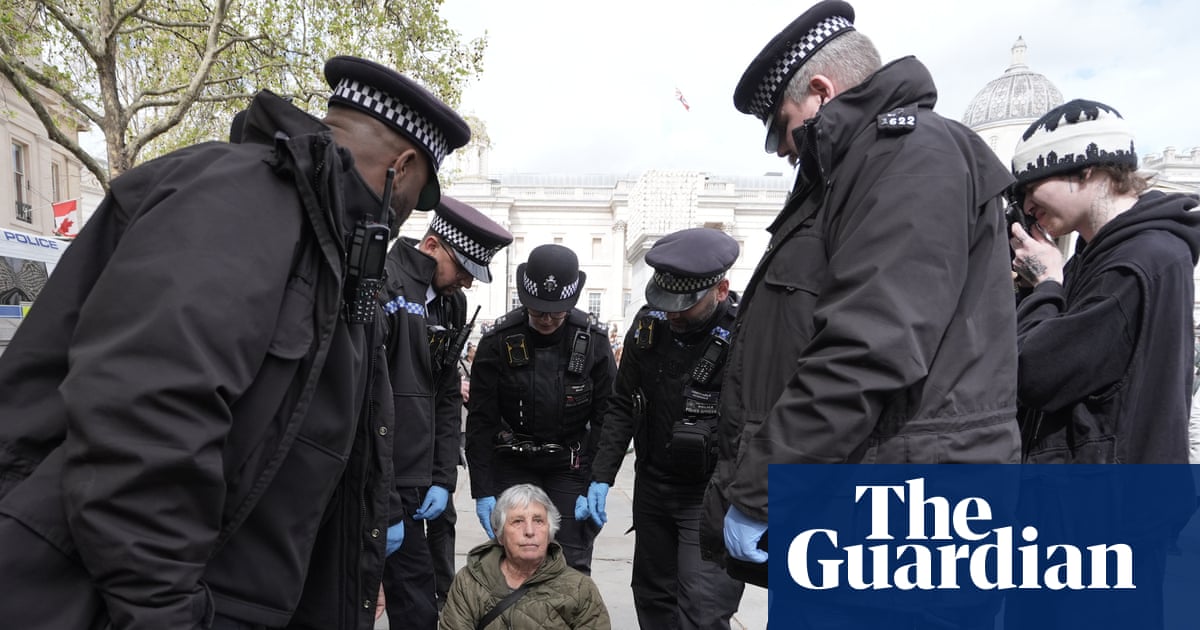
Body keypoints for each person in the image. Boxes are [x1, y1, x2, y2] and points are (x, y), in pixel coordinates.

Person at [0, 55, 470, 630]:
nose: (404, 219)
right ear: (403, 166)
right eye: (416, 194)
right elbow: (143, 420)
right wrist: (165, 614)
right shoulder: (240, 200)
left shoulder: (335, 254)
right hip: (107, 601)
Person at [704, 0, 1021, 596]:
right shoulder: (862, 168)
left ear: (821, 92)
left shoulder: (910, 157)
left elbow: (867, 347)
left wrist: (762, 487)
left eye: (782, 125)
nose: (781, 150)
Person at [1008, 99, 1200, 463]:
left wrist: (1047, 283)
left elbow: (1035, 374)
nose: (1027, 206)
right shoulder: (1106, 253)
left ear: (1085, 170)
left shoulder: (1134, 262)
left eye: (1031, 186)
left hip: (1105, 502)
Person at [579, 228, 746, 629]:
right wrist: (601, 475)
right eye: (664, 301)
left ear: (720, 290)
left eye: (683, 306)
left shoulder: (745, 334)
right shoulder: (649, 324)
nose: (671, 313)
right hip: (653, 486)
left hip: (708, 494)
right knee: (652, 597)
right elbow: (622, 402)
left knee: (702, 607)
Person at [381, 196, 513, 628]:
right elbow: (367, 398)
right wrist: (383, 500)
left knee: (420, 604)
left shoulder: (450, 304)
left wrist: (442, 476)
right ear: (434, 244)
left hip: (418, 478)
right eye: (463, 270)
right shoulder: (384, 284)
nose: (468, 285)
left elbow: (444, 396)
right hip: (378, 475)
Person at [466, 244, 616, 574]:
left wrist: (596, 478)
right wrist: (482, 488)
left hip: (569, 463)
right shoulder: (498, 341)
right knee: (517, 558)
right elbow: (480, 420)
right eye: (538, 311)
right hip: (514, 459)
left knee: (570, 560)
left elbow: (608, 418)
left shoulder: (593, 342)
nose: (547, 319)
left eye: (556, 312)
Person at [439, 483, 611, 630]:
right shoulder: (469, 582)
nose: (529, 531)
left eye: (538, 521)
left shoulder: (580, 589)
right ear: (500, 535)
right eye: (517, 521)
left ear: (549, 533)